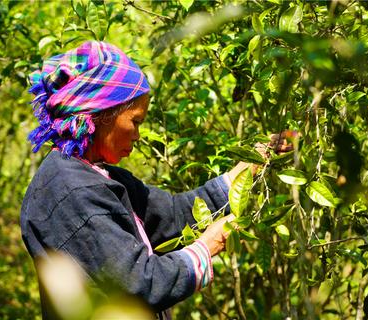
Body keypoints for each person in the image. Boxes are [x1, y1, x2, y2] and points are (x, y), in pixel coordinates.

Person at [20, 41, 292, 319]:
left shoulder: (97, 174)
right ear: (102, 113)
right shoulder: (72, 191)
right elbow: (140, 284)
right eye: (135, 121)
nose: (137, 134)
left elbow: (172, 215)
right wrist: (209, 245)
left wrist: (248, 168)